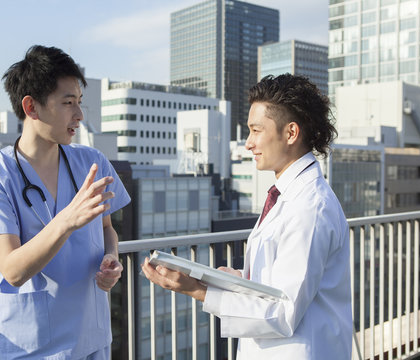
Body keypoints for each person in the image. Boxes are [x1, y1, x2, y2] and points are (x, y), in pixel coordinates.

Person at [142, 74, 352, 359]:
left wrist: (199, 291)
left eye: (256, 130)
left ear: (291, 133)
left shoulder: (309, 207)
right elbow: (282, 283)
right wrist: (237, 279)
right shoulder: (288, 195)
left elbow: (283, 311)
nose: (248, 143)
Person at [0, 45, 130, 359]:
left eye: (79, 103)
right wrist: (66, 221)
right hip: (31, 347)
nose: (79, 115)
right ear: (31, 107)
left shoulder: (91, 162)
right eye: (68, 103)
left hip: (91, 338)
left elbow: (107, 228)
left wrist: (111, 258)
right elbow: (12, 270)